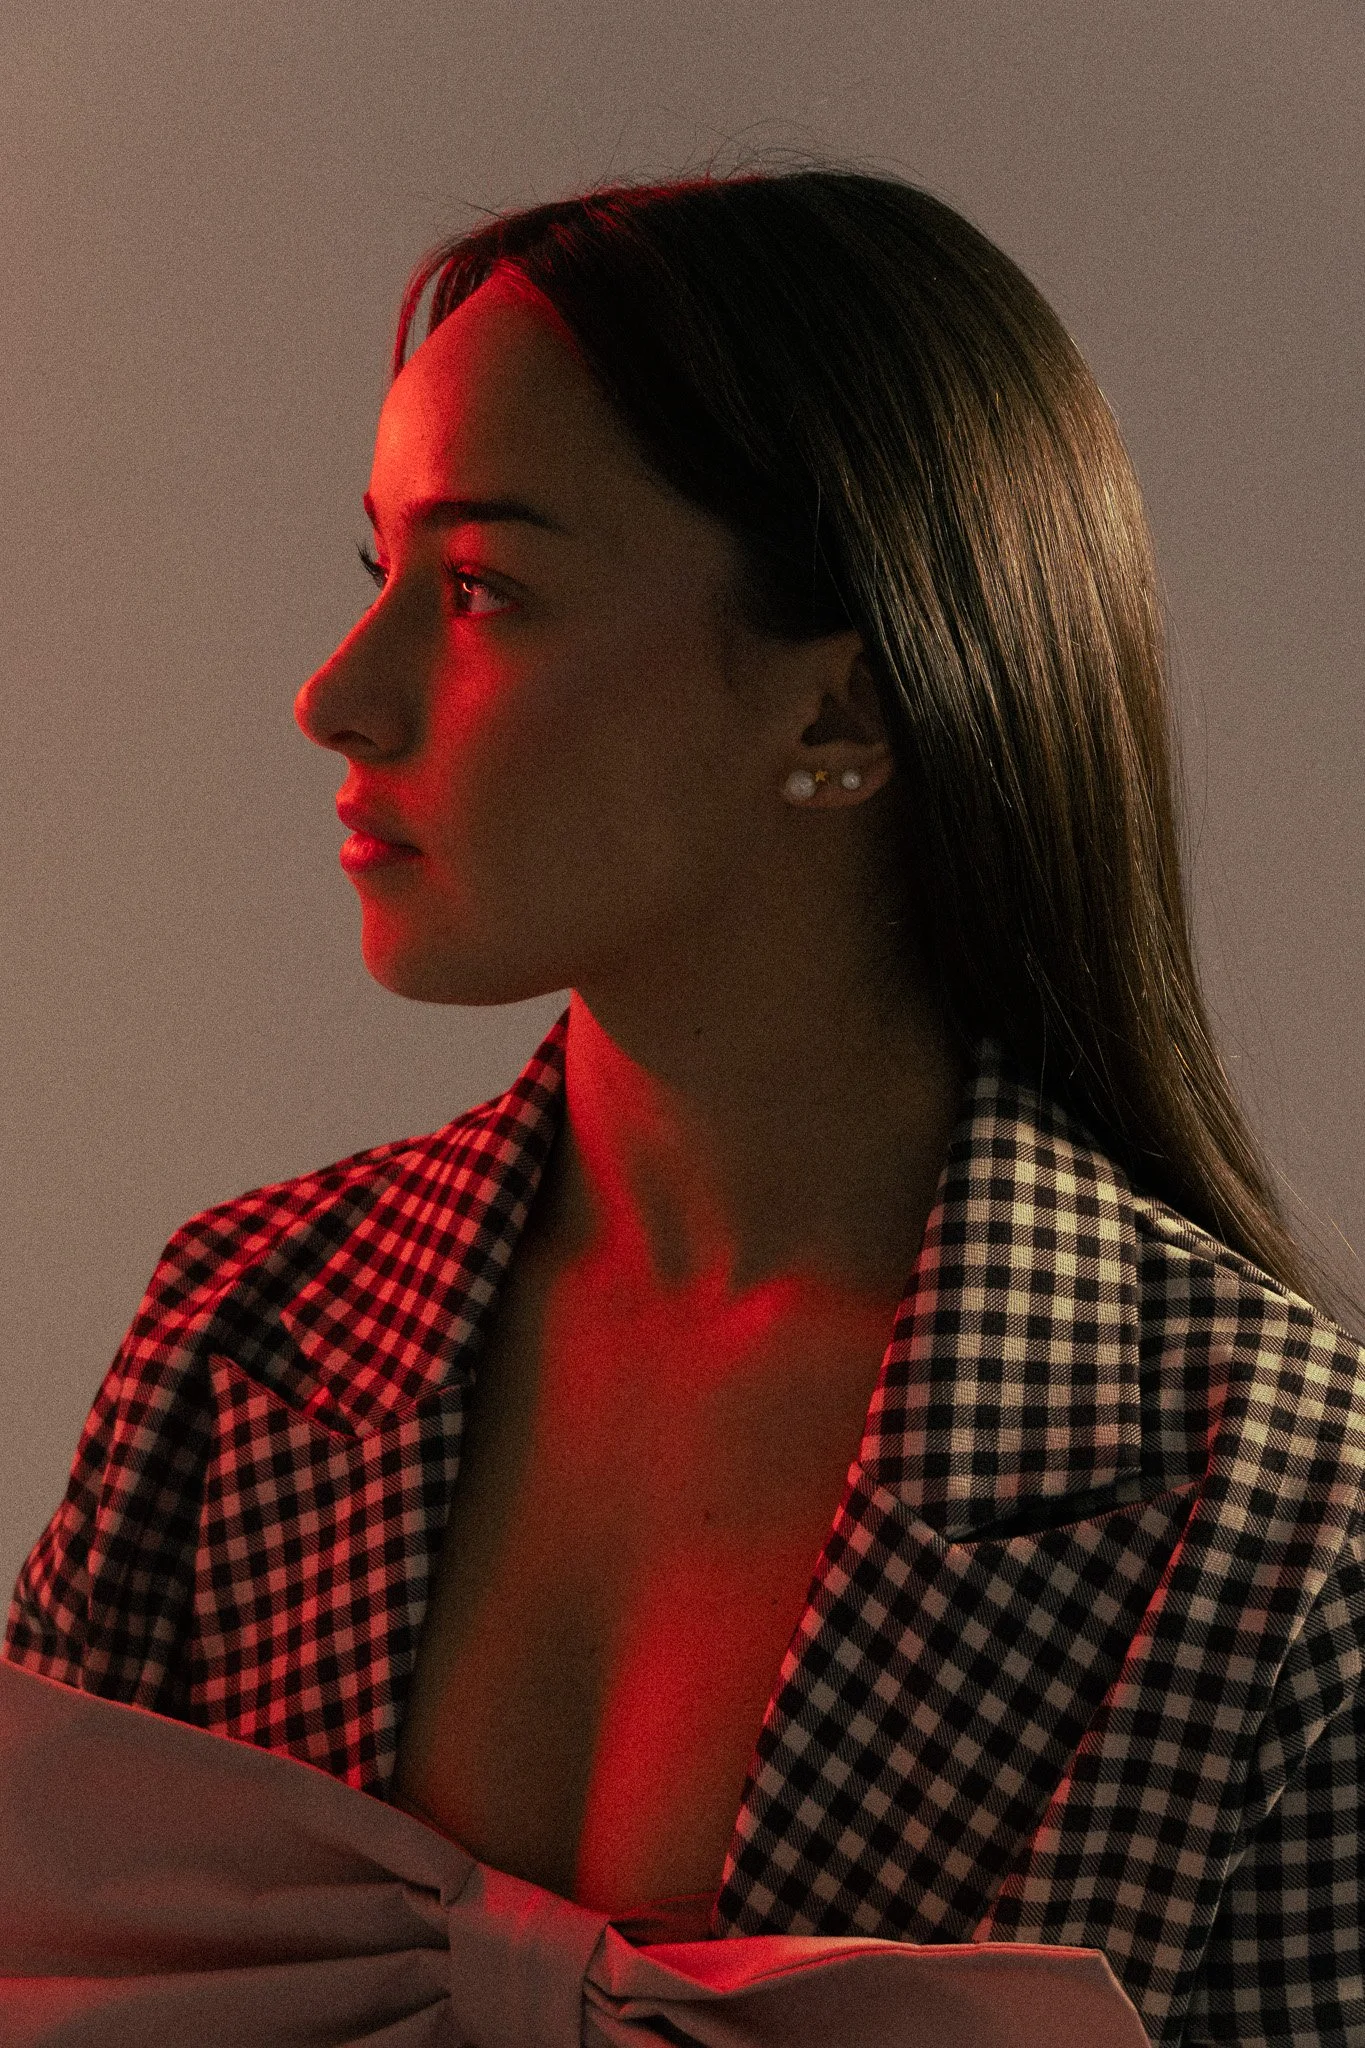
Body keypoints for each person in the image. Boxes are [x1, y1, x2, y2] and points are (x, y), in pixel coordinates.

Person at [6, 158, 1363, 2048]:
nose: (342, 692)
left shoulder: (1281, 1505)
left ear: (839, 718)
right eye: (379, 569)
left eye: (482, 586)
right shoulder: (233, 1340)